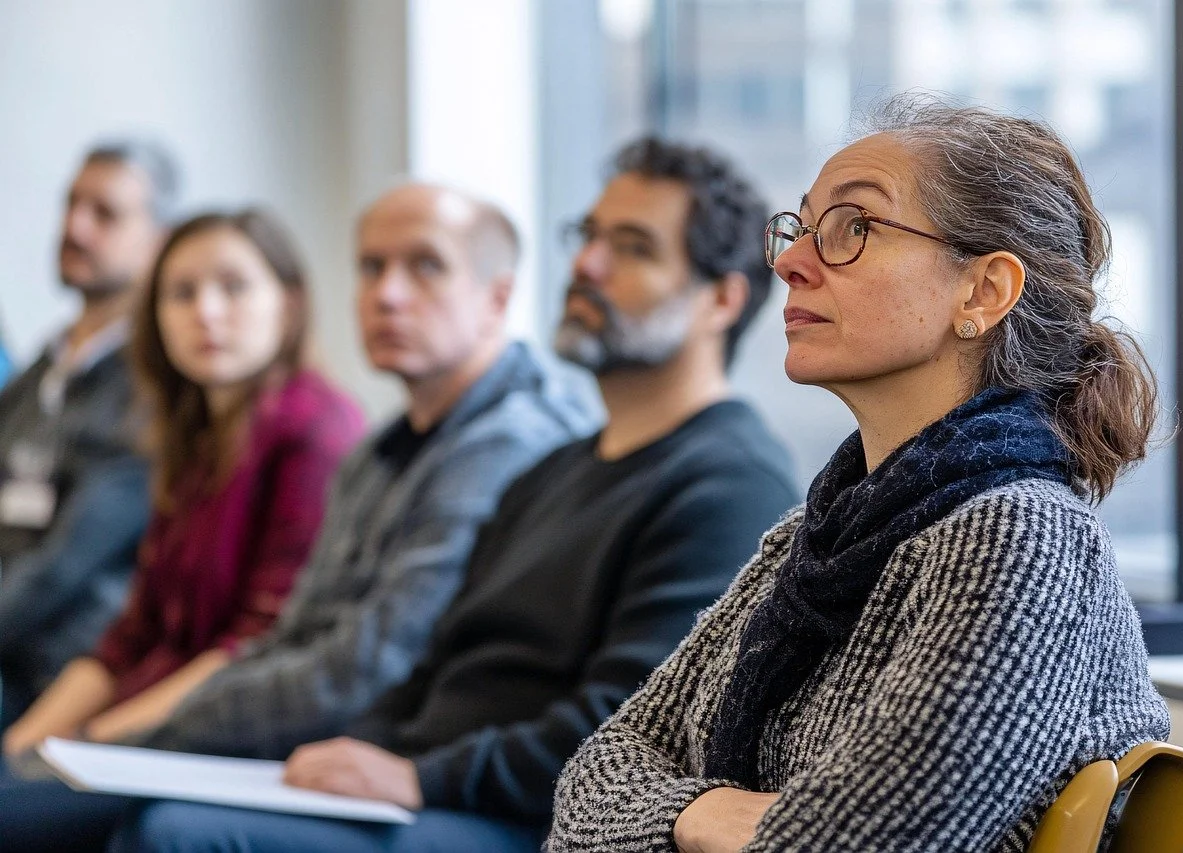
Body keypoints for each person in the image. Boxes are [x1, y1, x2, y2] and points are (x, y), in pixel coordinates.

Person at [113, 137, 799, 853]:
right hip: (430, 788)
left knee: (176, 836)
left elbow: (629, 728)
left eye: (632, 247)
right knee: (141, 815)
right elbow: (434, 664)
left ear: (722, 298)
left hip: (527, 818)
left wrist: (419, 776)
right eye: (586, 236)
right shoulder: (557, 468)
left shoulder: (730, 482)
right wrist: (351, 750)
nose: (585, 266)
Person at [547, 96, 1172, 852]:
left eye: (853, 229)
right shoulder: (815, 536)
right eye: (800, 227)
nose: (787, 262)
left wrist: (682, 812)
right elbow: (589, 786)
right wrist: (712, 815)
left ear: (982, 291)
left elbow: (860, 844)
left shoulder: (1021, 537)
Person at [134, 183, 596, 758]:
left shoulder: (516, 440)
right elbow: (292, 633)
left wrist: (153, 737)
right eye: (371, 268)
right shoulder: (378, 448)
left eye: (426, 266)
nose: (388, 295)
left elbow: (365, 669)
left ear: (497, 299)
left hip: (422, 762)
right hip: (328, 743)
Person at [0, 209, 364, 851]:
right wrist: (28, 743)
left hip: (224, 737)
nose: (207, 312)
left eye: (233, 286)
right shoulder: (188, 435)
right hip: (139, 723)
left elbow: (257, 644)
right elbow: (130, 634)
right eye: (182, 292)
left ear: (288, 301)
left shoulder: (315, 430)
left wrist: (92, 742)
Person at [0, 141, 178, 725]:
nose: (75, 228)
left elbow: (68, 564)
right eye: (72, 205)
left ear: (157, 241)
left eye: (105, 214)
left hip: (51, 669)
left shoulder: (151, 388)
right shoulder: (37, 373)